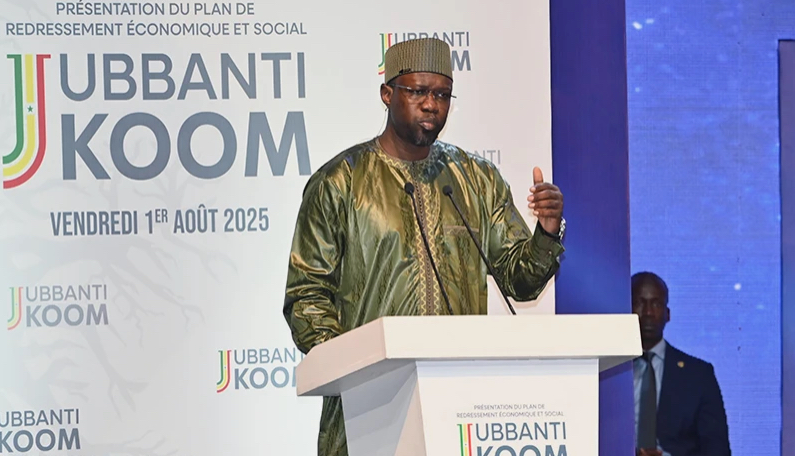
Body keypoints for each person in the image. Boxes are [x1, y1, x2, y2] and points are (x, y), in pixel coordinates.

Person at [283, 37, 565, 456]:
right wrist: (357, 369)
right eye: (418, 91)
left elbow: (519, 282)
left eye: (442, 94)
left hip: (461, 408)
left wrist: (546, 232)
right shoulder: (340, 182)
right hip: (368, 412)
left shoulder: (476, 179)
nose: (431, 105)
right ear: (387, 94)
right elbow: (306, 296)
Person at [631, 272, 731, 456]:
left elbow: (718, 450)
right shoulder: (606, 372)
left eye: (656, 304)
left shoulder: (699, 376)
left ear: (667, 314)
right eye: (639, 303)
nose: (648, 312)